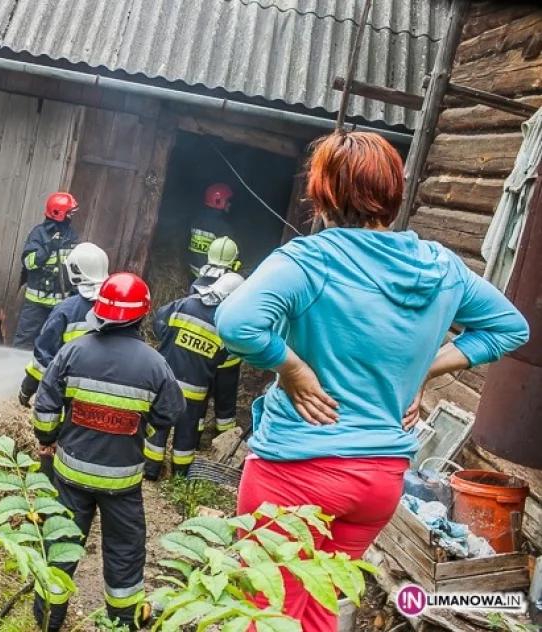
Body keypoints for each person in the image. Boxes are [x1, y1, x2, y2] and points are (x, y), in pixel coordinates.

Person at [215, 131, 530, 630]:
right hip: (378, 479)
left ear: (323, 195)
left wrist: (291, 367)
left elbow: (236, 323)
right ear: (393, 194)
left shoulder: (309, 259)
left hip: (297, 471)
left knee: (262, 609)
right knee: (318, 605)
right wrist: (425, 365)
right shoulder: (440, 266)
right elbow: (511, 327)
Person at [31, 272, 184, 631]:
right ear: (142, 315)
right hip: (123, 483)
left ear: (100, 311)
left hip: (69, 477)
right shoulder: (155, 364)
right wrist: (139, 425)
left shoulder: (73, 350)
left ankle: (48, 621)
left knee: (60, 548)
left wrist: (48, 437)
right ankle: (123, 621)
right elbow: (170, 414)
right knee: (125, 555)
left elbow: (46, 406)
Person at [144, 273, 245, 479]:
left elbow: (159, 323)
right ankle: (180, 475)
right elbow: (224, 366)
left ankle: (150, 469)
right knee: (186, 433)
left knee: (158, 424)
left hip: (166, 382)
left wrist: (170, 343)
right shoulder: (226, 327)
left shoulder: (183, 305)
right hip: (196, 391)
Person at [19, 242, 110, 404]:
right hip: (111, 398)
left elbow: (44, 356)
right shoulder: (119, 306)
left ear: (75, 272)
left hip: (72, 397)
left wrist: (26, 390)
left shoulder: (67, 310)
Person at [189, 236, 244, 436]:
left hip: (202, 350)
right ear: (234, 260)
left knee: (201, 393)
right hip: (228, 355)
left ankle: (195, 435)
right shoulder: (236, 286)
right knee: (226, 397)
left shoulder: (197, 283)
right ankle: (224, 436)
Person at [13, 192, 80, 349]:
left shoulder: (71, 235)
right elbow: (29, 263)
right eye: (69, 213)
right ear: (59, 213)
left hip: (60, 304)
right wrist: (49, 247)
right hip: (36, 304)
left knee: (53, 345)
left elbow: (75, 265)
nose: (71, 216)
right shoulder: (39, 234)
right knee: (24, 342)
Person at [187, 184, 236, 280]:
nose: (230, 204)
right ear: (219, 202)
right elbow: (231, 255)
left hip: (193, 273)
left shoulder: (196, 220)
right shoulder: (223, 228)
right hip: (212, 278)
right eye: (227, 201)